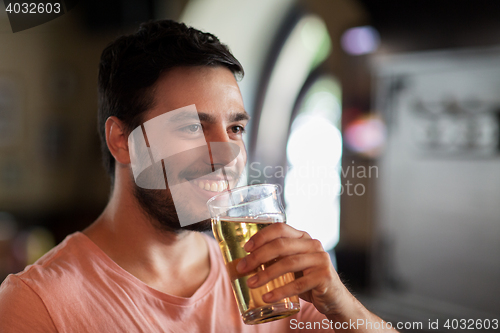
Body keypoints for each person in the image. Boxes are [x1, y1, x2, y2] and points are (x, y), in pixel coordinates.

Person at [0, 20, 396, 332]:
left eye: (235, 129)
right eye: (192, 127)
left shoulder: (266, 278)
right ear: (122, 141)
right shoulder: (37, 303)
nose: (225, 156)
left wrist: (338, 301)